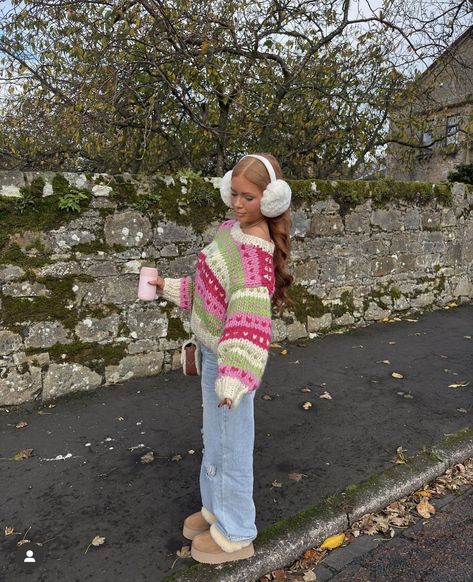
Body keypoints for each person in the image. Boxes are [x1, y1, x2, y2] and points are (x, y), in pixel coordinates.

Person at [148, 153, 294, 564]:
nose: (237, 203)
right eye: (233, 193)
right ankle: (215, 510)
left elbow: (248, 326)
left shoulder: (255, 253)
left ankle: (236, 532)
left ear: (270, 201)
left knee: (232, 445)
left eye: (248, 197)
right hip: (213, 354)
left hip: (232, 367)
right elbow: (208, 288)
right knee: (215, 440)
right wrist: (167, 287)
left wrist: (233, 379)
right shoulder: (230, 231)